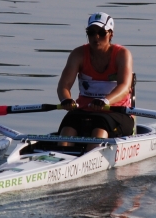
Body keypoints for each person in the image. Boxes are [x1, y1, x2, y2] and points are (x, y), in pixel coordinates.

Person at [57, 12, 135, 142]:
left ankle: (92, 154)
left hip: (115, 112)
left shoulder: (122, 55)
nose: (96, 37)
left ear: (111, 34)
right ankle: (61, 155)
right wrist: (66, 100)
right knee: (67, 130)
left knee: (99, 131)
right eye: (91, 32)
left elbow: (125, 87)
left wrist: (105, 101)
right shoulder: (78, 54)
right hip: (83, 111)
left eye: (101, 33)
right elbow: (63, 86)